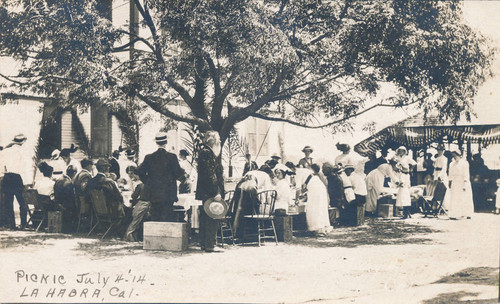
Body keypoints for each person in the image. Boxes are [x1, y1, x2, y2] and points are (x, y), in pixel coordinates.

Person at [138, 132, 184, 222]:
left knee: (155, 217)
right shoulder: (172, 157)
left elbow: (140, 172)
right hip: (169, 193)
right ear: (166, 142)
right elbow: (178, 173)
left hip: (153, 192)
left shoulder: (149, 157)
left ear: (156, 143)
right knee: (167, 217)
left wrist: (149, 182)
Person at [195, 131, 224, 252]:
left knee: (205, 216)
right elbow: (211, 175)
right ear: (214, 142)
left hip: (206, 191)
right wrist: (216, 191)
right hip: (210, 192)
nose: (220, 143)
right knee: (212, 216)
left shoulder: (205, 152)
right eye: (219, 141)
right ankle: (210, 244)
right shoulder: (207, 153)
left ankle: (204, 243)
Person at [0, 134, 29, 229]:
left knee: (9, 202)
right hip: (17, 177)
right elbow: (24, 168)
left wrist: (10, 144)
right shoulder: (22, 151)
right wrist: (26, 182)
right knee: (22, 201)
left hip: (7, 177)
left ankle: (11, 225)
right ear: (22, 142)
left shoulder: (6, 151)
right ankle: (23, 223)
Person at [304, 163, 332, 236]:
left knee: (314, 209)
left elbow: (302, 188)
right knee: (319, 209)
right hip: (319, 191)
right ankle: (319, 228)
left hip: (316, 192)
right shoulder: (315, 176)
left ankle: (317, 229)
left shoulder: (309, 174)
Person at [124, 167, 149, 242]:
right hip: (148, 205)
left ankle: (128, 235)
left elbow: (133, 196)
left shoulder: (140, 185)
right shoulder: (148, 184)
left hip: (142, 205)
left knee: (135, 219)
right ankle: (133, 235)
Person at [448, 148, 474, 219]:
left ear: (459, 155)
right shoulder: (451, 164)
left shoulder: (464, 163)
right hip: (455, 182)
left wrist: (465, 183)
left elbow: (466, 174)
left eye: (455, 156)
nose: (454, 157)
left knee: (464, 198)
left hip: (463, 181)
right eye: (453, 156)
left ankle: (467, 213)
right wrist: (450, 182)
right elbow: (450, 174)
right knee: (455, 198)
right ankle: (454, 214)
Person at [53, 166, 78, 232]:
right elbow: (70, 198)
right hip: (66, 206)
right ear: (74, 173)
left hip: (58, 204)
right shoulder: (68, 183)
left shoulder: (59, 180)